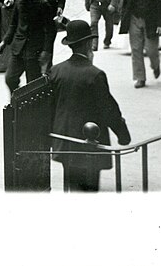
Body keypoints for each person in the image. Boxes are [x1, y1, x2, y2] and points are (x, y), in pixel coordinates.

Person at [48, 20, 131, 192]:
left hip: (64, 141)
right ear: (88, 44)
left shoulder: (56, 70)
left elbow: (50, 107)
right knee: (88, 191)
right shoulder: (95, 75)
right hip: (89, 145)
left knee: (70, 185)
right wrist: (123, 136)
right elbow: (109, 110)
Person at [0, 0, 51, 94]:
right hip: (18, 50)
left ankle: (29, 109)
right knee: (10, 78)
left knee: (32, 84)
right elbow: (13, 25)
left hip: (35, 50)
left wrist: (46, 51)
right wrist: (4, 42)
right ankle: (17, 99)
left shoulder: (43, 4)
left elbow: (50, 31)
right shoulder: (18, 2)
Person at [31, 0, 66, 74]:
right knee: (37, 46)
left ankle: (48, 72)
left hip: (50, 21)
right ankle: (38, 71)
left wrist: (60, 8)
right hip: (36, 21)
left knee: (48, 46)